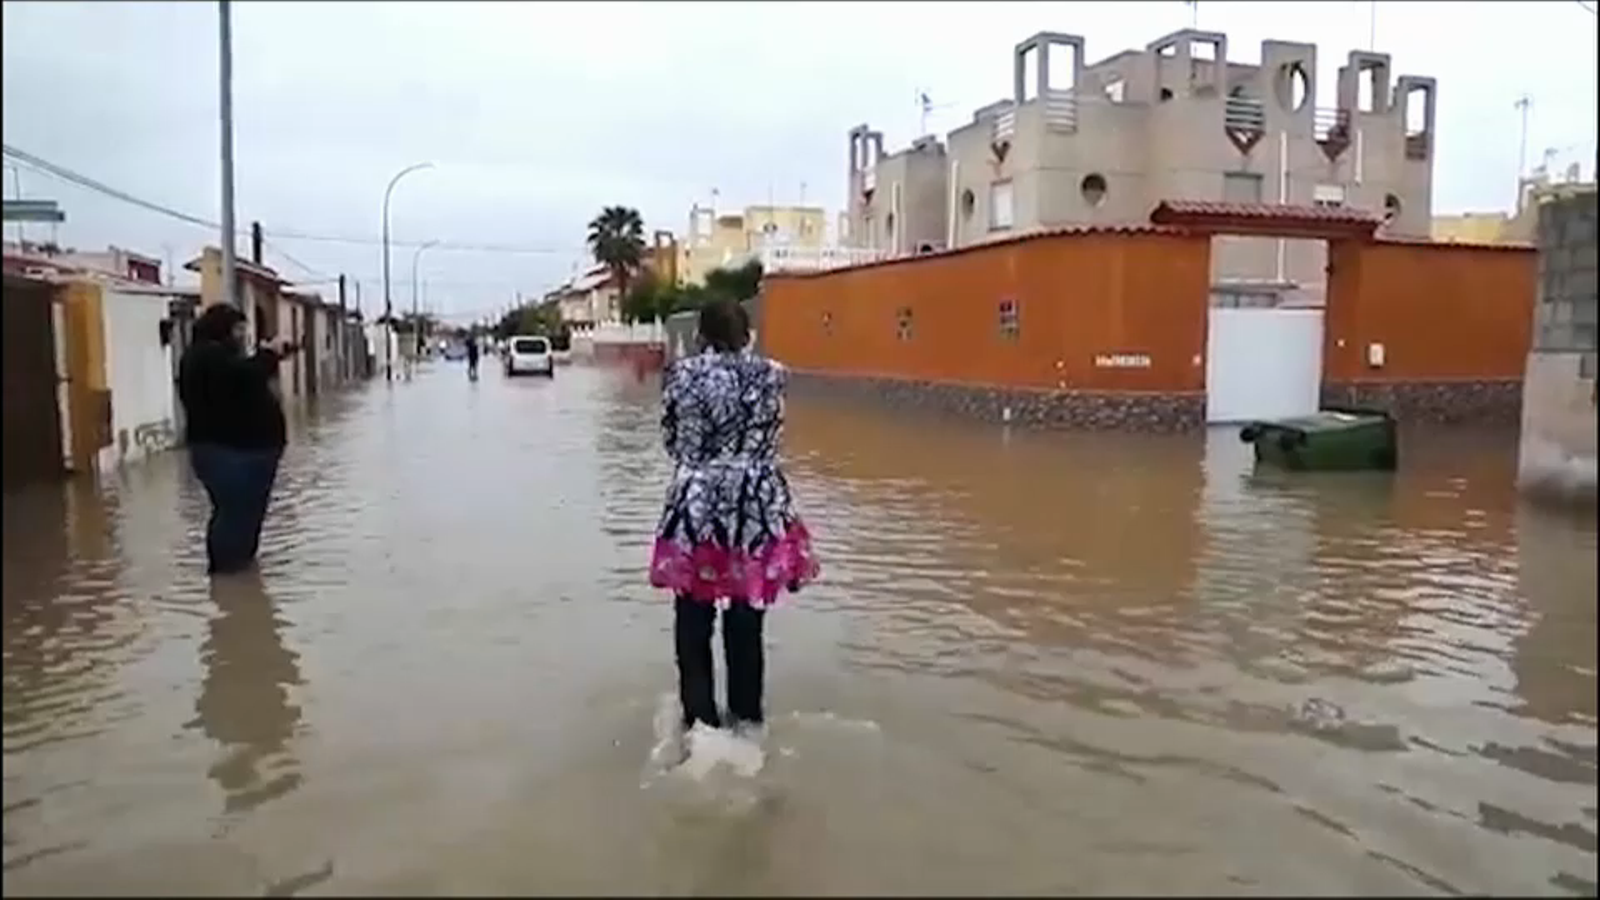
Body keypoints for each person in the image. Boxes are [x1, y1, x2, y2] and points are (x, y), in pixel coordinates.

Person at [649, 299, 820, 735]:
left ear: (701, 335)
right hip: (756, 503)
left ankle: (699, 722)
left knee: (694, 612)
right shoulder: (773, 374)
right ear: (748, 335)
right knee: (747, 611)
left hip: (698, 500)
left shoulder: (682, 374)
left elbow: (674, 441)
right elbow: (773, 434)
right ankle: (747, 719)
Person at [177, 303, 292, 576]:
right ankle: (226, 580)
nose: (242, 335)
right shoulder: (206, 356)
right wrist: (268, 355)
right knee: (234, 514)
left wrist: (268, 357)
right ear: (222, 329)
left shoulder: (219, 356)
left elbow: (244, 380)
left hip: (245, 453)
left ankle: (240, 579)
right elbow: (242, 379)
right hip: (229, 454)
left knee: (246, 515)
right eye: (239, 329)